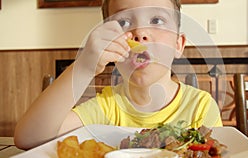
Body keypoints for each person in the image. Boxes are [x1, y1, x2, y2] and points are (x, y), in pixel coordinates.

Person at [14, 0, 222, 150]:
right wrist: (84, 67)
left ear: (179, 45)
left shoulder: (201, 107)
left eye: (157, 20)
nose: (140, 33)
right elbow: (29, 138)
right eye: (123, 23)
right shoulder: (105, 107)